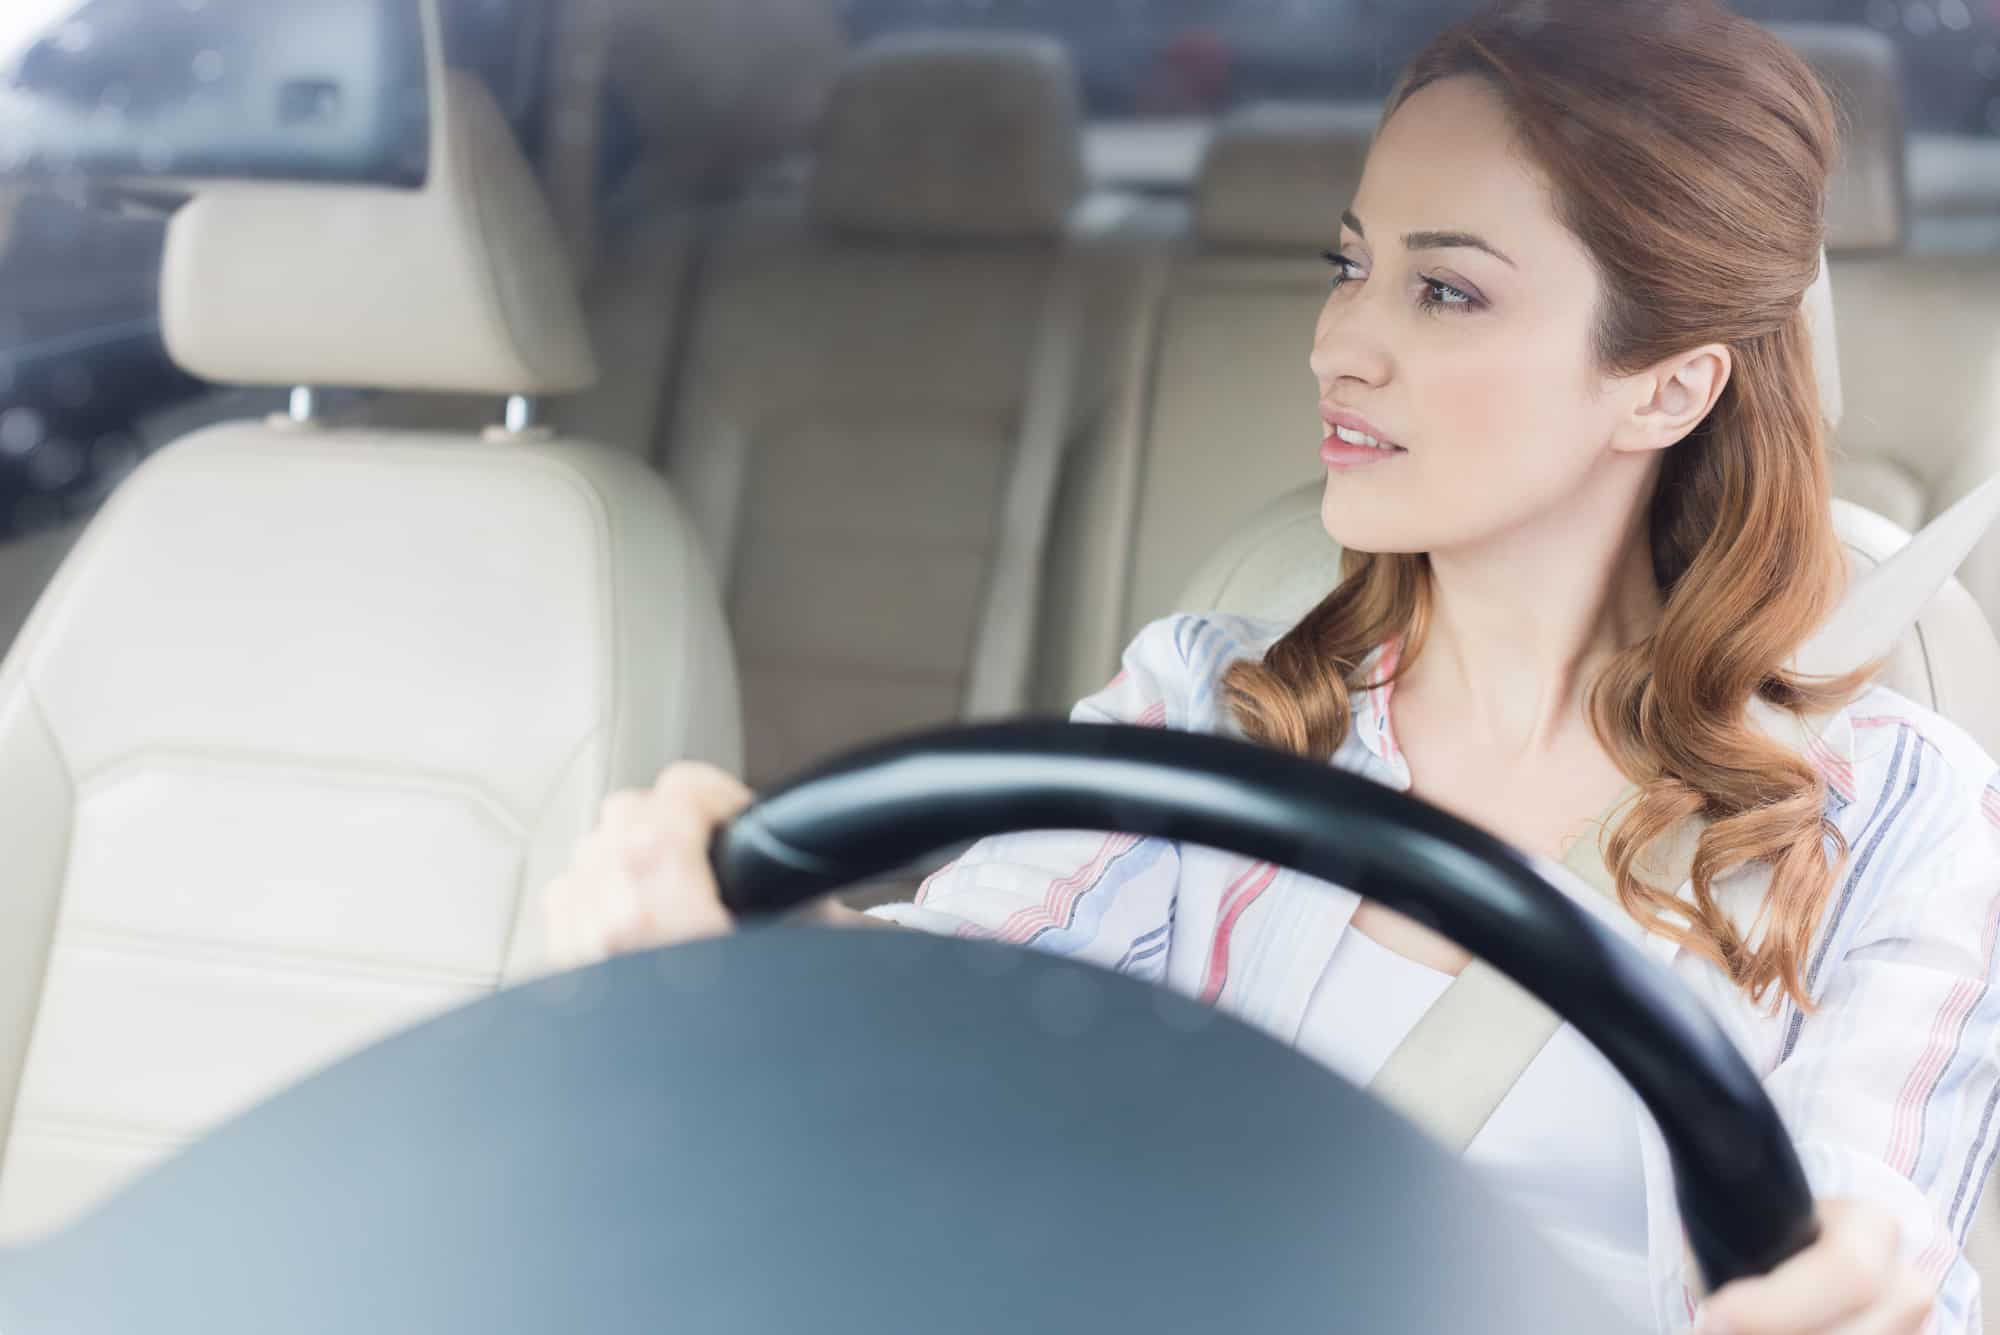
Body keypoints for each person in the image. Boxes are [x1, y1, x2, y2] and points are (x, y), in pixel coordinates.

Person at [543, 2, 2000, 1331]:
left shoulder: (1894, 813)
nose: (1335, 345)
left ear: (1667, 384)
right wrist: (754, 954)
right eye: (1351, 264)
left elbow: (1872, 1217)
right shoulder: (1207, 707)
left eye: (1446, 295)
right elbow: (958, 1012)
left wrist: (1854, 1282)